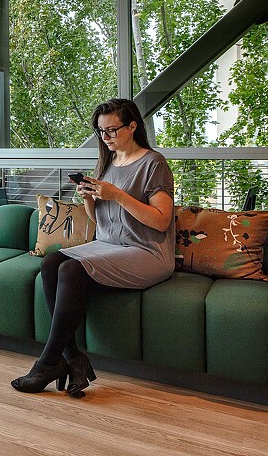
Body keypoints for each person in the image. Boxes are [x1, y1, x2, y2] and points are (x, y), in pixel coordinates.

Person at [11, 98, 175, 397]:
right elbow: (99, 220)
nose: (105, 137)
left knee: (72, 269)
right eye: (101, 132)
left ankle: (48, 362)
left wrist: (118, 195)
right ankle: (72, 358)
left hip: (146, 251)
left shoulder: (154, 163)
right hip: (109, 244)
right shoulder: (109, 163)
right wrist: (89, 197)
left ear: (133, 126)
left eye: (111, 130)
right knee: (50, 262)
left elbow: (162, 222)